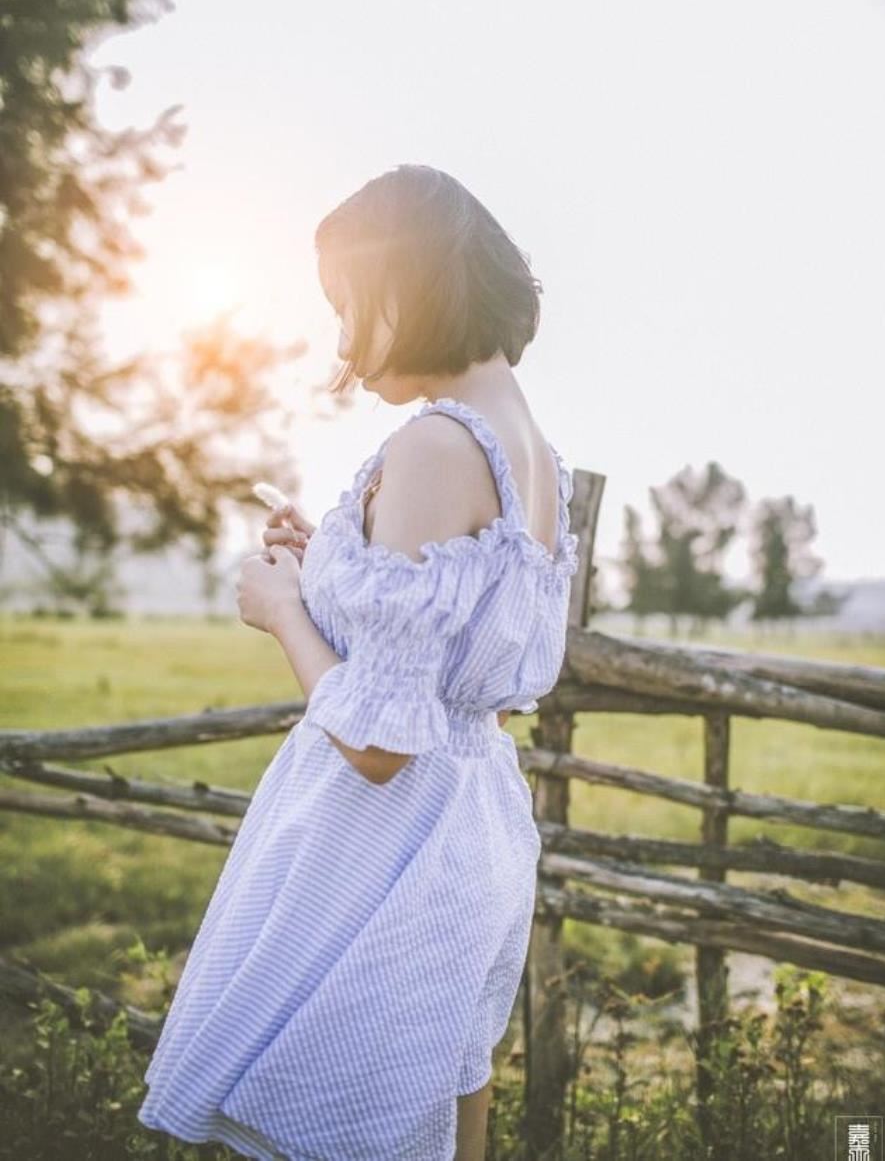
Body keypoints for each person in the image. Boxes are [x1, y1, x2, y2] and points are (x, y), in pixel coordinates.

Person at [137, 164, 579, 1161]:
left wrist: (285, 608)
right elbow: (454, 671)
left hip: (383, 842)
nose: (338, 338)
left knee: (343, 1123)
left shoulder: (432, 444)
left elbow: (380, 741)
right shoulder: (532, 453)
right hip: (472, 827)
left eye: (345, 304)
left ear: (407, 285)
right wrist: (335, 560)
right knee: (440, 1100)